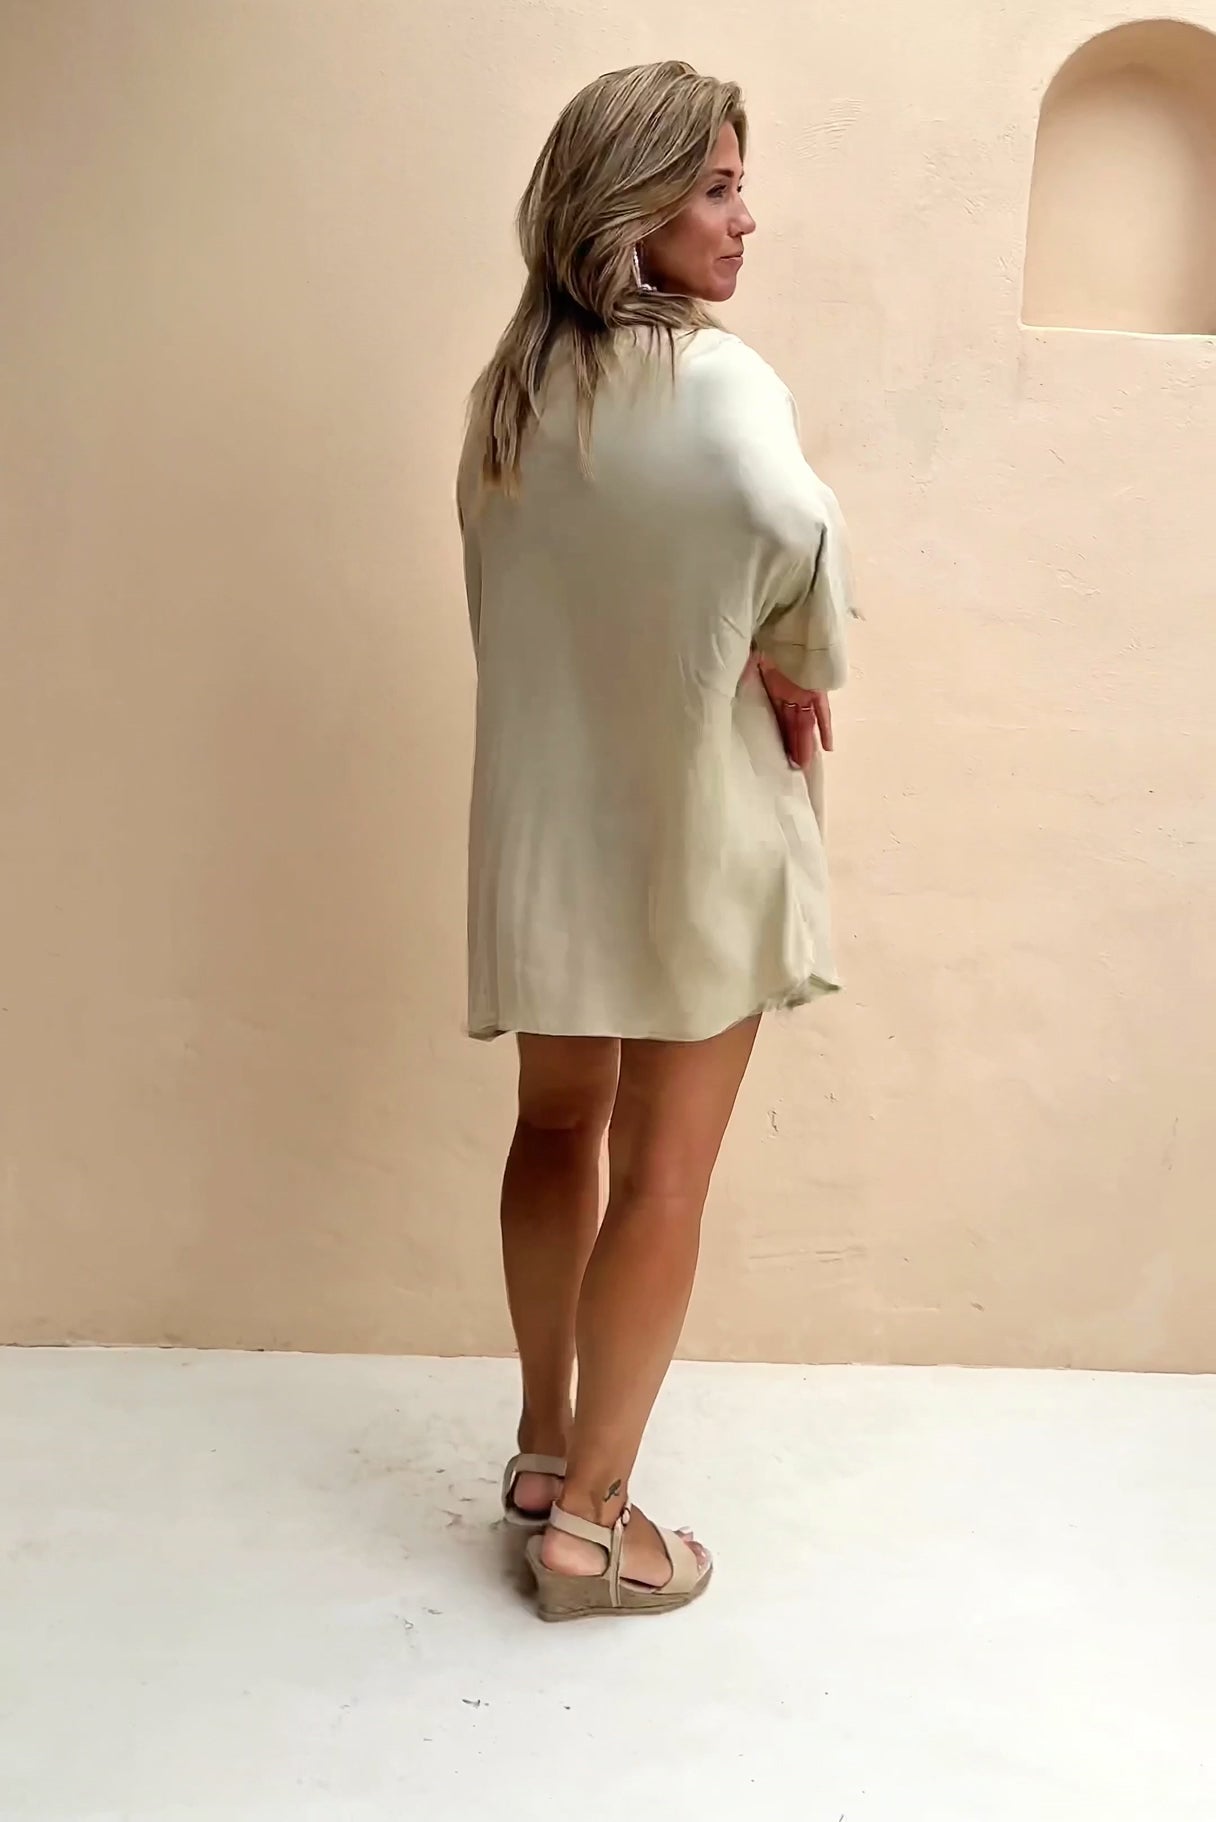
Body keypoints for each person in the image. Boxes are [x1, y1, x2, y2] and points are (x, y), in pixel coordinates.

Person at [457, 60, 854, 1621]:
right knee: (664, 1172)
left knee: (556, 1125)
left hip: (546, 825)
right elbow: (793, 522)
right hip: (696, 822)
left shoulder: (511, 397)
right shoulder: (717, 378)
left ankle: (545, 1448)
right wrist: (793, 648)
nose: (745, 220)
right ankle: (596, 1529)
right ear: (630, 206)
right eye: (717, 188)